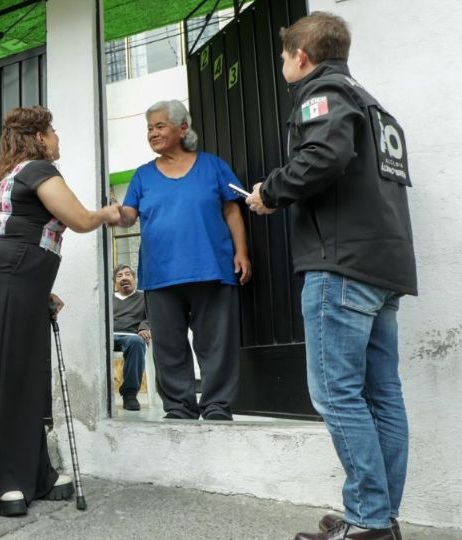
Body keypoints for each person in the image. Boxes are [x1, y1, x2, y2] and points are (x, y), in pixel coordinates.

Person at [245, 12, 415, 540]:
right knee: (382, 395)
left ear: (302, 56)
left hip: (340, 268)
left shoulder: (324, 93)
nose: (281, 65)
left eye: (282, 56)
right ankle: (377, 517)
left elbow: (324, 155)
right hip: (383, 267)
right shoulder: (372, 103)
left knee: (337, 395)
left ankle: (367, 521)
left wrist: (269, 192)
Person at [0, 105, 121, 517]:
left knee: (26, 376)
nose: (57, 138)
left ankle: (35, 473)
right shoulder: (38, 170)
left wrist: (41, 291)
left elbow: (23, 235)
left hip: (16, 279)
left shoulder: (12, 174)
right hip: (11, 276)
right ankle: (1, 483)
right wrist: (111, 212)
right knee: (6, 377)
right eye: (52, 130)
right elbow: (80, 219)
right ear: (38, 137)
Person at [117, 99, 251, 421]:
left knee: (215, 343)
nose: (152, 133)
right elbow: (128, 215)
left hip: (212, 267)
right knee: (168, 346)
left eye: (159, 126)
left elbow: (232, 209)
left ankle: (217, 405)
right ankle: (179, 407)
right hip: (161, 273)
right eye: (149, 128)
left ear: (182, 127)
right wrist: (111, 213)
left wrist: (242, 252)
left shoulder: (213, 166)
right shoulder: (142, 176)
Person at [112, 264, 149, 411]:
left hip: (131, 336)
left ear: (134, 279)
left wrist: (144, 327)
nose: (124, 278)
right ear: (115, 282)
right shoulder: (107, 298)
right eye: (119, 276)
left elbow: (151, 316)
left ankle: (130, 394)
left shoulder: (144, 297)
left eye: (128, 274)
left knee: (136, 342)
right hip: (109, 336)